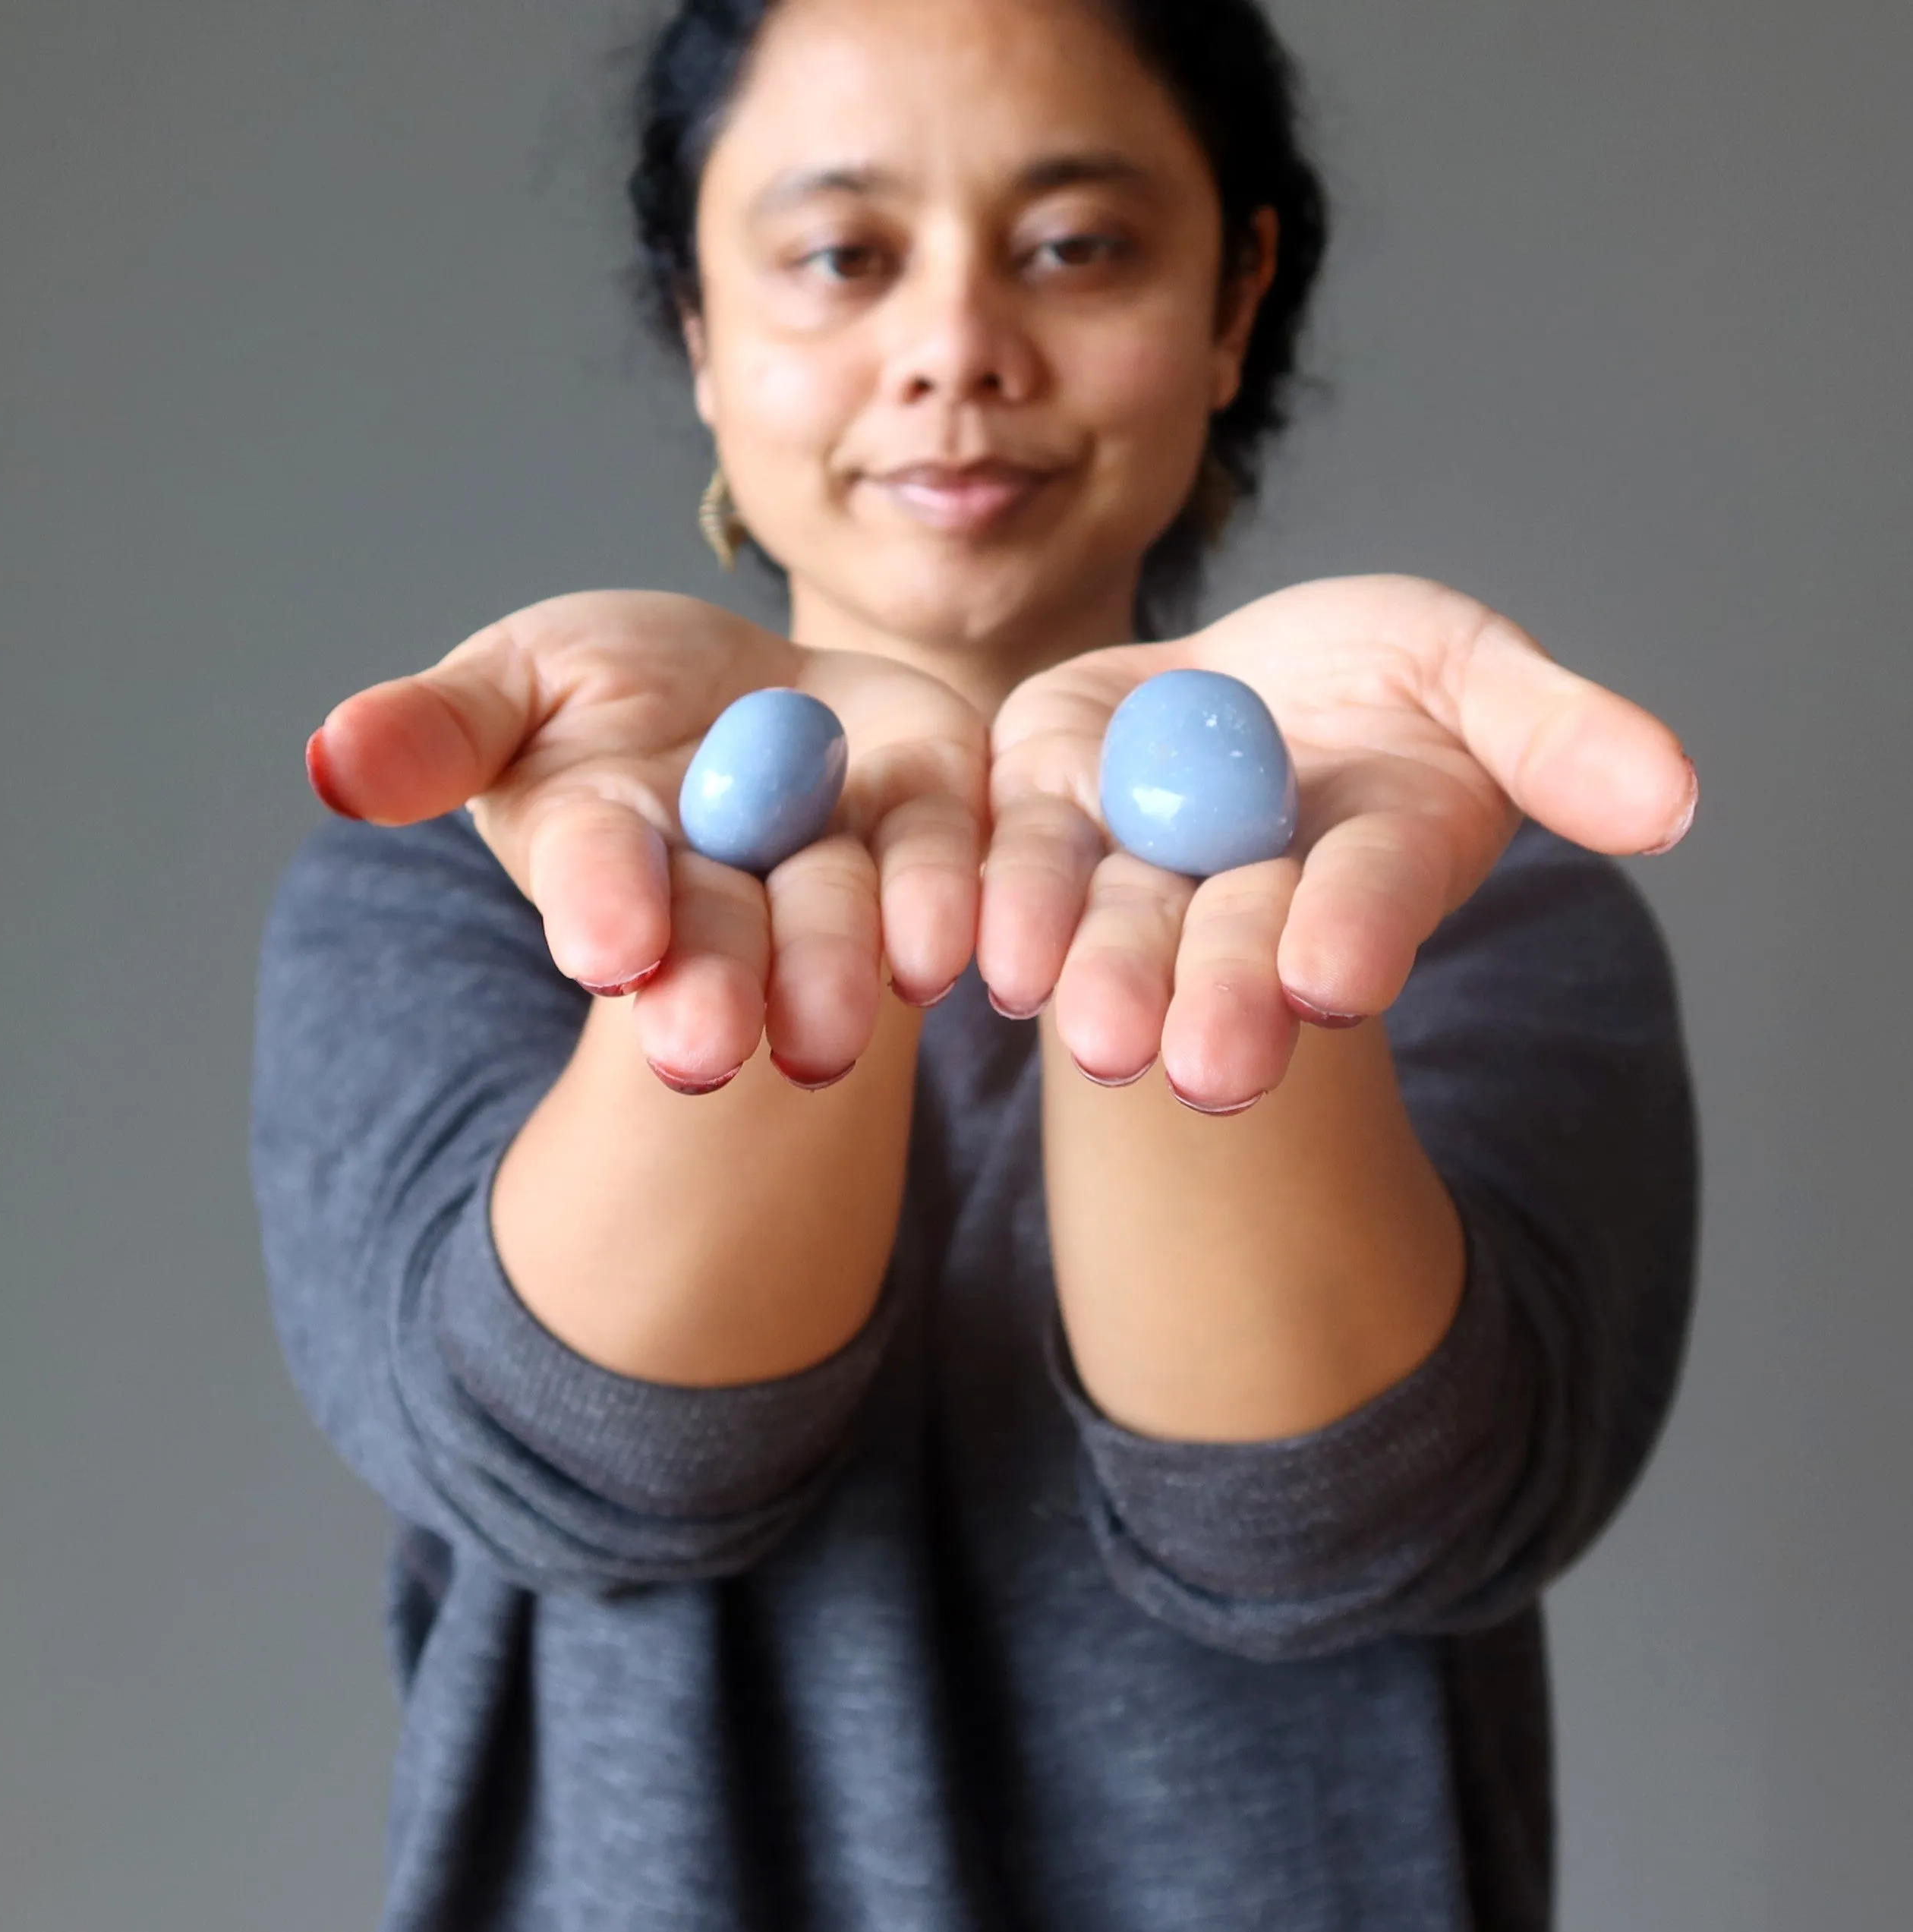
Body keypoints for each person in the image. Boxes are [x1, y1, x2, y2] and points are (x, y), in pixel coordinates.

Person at [250, 0, 1700, 1925]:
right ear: (698, 313)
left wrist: (1198, 902)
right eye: (842, 256)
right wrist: (737, 915)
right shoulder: (455, 893)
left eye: (1074, 247)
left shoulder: (1470, 910)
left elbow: (1340, 1529)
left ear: (1232, 291)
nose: (953, 352)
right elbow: (600, 1469)